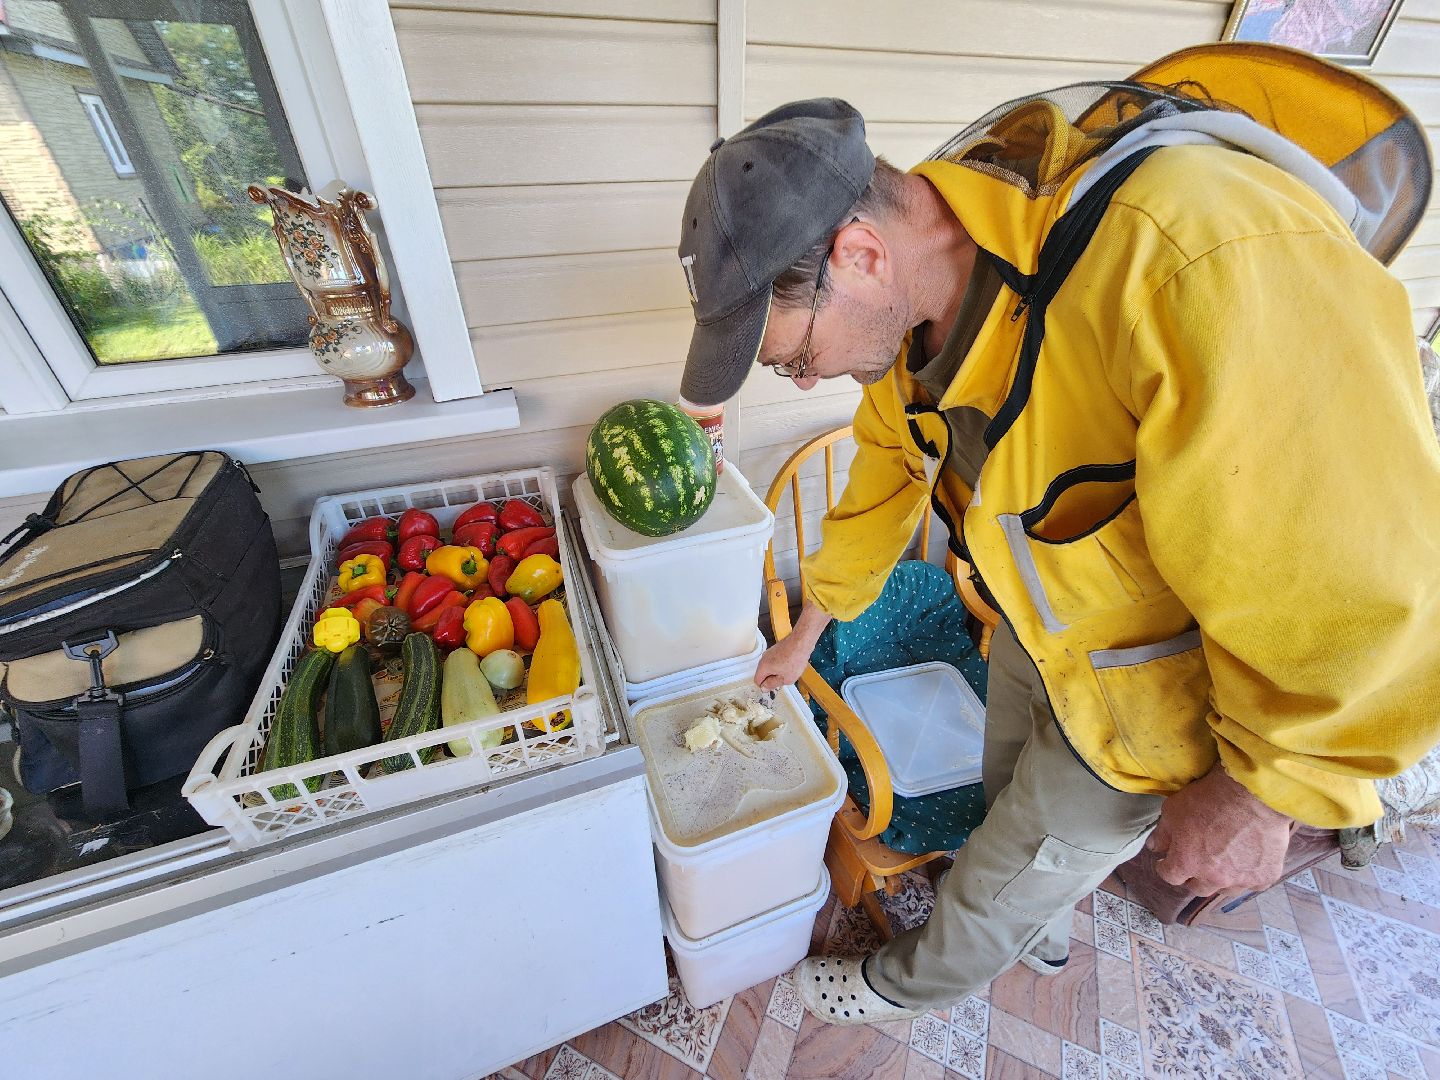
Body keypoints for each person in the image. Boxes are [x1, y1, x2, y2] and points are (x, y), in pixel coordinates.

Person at [674, 45, 1440, 1025]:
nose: (809, 379)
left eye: (794, 358)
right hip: (1034, 632)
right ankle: (1041, 921)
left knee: (1009, 868)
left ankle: (903, 984)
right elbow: (882, 483)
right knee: (1008, 807)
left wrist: (1267, 799)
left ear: (859, 255)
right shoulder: (914, 307)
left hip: (1160, 697)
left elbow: (1357, 576)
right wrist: (808, 628)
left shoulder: (1194, 250)